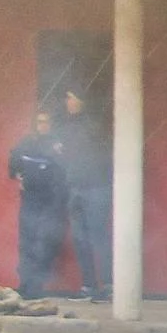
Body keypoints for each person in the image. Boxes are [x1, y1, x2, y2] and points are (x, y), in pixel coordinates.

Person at [9, 110, 72, 297]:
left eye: (46, 122)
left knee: (44, 242)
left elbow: (66, 170)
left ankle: (37, 286)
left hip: (51, 202)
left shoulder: (57, 144)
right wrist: (16, 173)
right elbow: (13, 160)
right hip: (29, 199)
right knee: (26, 242)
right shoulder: (27, 142)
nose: (42, 125)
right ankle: (25, 284)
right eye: (39, 122)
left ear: (51, 124)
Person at [57, 89, 110, 302]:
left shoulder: (93, 125)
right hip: (75, 187)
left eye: (72, 97)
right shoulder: (67, 126)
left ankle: (108, 285)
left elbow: (91, 147)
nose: (68, 101)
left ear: (82, 101)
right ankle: (89, 286)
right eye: (67, 97)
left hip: (96, 187)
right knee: (80, 240)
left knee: (98, 237)